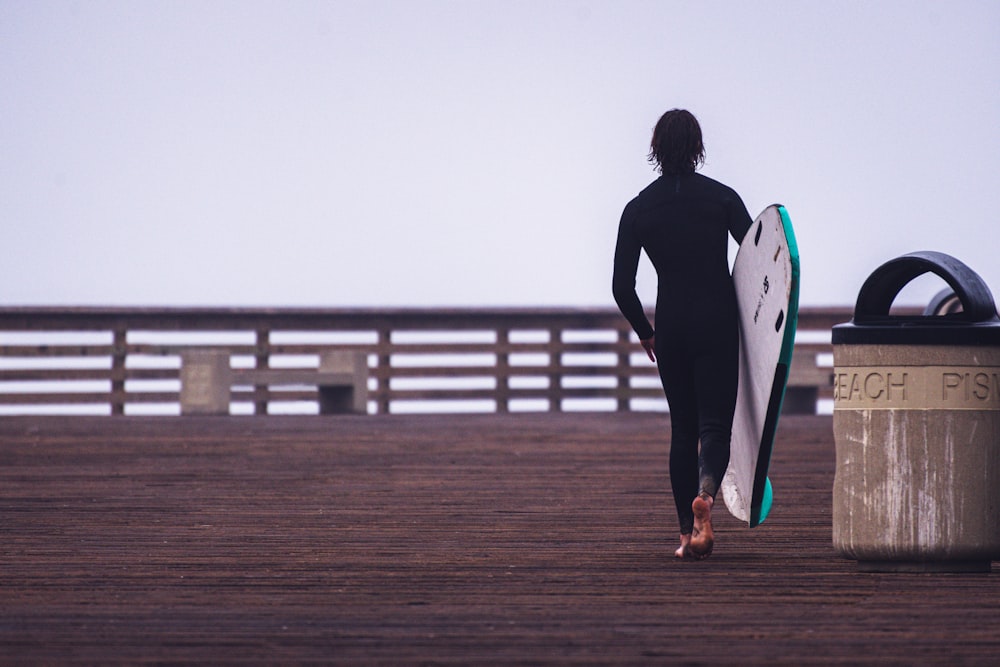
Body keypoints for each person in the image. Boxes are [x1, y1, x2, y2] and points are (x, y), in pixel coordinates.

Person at [612, 109, 753, 560]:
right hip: (716, 321)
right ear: (697, 147)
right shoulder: (722, 199)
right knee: (715, 426)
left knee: (682, 428)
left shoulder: (638, 210)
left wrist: (644, 331)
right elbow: (760, 263)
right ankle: (706, 499)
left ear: (656, 148)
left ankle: (684, 536)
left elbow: (621, 286)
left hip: (671, 327)